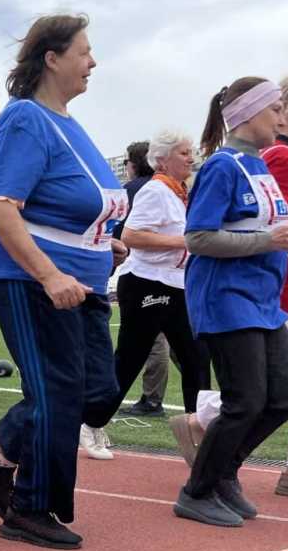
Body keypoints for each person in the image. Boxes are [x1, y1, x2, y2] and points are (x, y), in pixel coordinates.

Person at [0, 14, 128, 550]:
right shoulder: (24, 119)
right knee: (55, 392)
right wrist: (50, 272)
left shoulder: (69, 124)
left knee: (98, 391)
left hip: (84, 281)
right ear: (52, 58)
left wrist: (102, 241)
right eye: (84, 52)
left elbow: (74, 201)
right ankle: (29, 507)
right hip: (32, 280)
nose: (93, 62)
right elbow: (1, 207)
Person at [171, 74, 288, 500]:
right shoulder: (223, 166)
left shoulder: (260, 166)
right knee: (246, 400)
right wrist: (269, 240)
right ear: (249, 114)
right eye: (275, 110)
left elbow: (277, 232)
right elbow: (197, 238)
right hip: (227, 297)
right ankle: (200, 490)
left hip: (263, 299)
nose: (281, 118)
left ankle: (223, 472)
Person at [84, 130, 213, 451]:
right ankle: (90, 422)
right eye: (184, 153)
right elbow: (131, 236)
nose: (191, 158)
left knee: (197, 358)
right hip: (147, 282)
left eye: (191, 152)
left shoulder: (180, 193)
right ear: (162, 160)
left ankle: (200, 436)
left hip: (178, 284)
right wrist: (183, 241)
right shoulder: (156, 191)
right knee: (130, 358)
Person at [114, 141, 172, 418]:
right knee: (178, 340)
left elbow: (121, 233)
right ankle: (201, 396)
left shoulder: (134, 190)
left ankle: (150, 399)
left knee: (148, 339)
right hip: (173, 273)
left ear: (134, 164)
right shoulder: (171, 189)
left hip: (143, 272)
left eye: (127, 162)